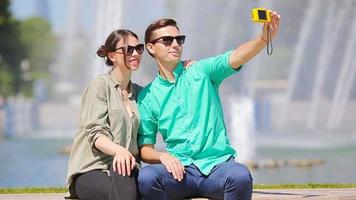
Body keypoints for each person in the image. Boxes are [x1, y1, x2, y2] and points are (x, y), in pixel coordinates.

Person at [137, 11, 281, 200]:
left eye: (179, 39)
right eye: (167, 40)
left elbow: (237, 56)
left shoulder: (201, 71)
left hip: (218, 168)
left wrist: (263, 38)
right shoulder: (147, 96)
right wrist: (163, 157)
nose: (175, 44)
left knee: (240, 176)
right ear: (151, 47)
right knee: (146, 177)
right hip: (180, 173)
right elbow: (145, 149)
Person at [66, 29, 144, 200]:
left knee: (131, 178)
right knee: (126, 187)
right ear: (112, 56)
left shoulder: (140, 93)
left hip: (126, 170)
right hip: (92, 170)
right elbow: (96, 133)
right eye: (128, 49)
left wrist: (185, 68)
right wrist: (120, 152)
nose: (136, 53)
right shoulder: (99, 86)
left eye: (139, 48)